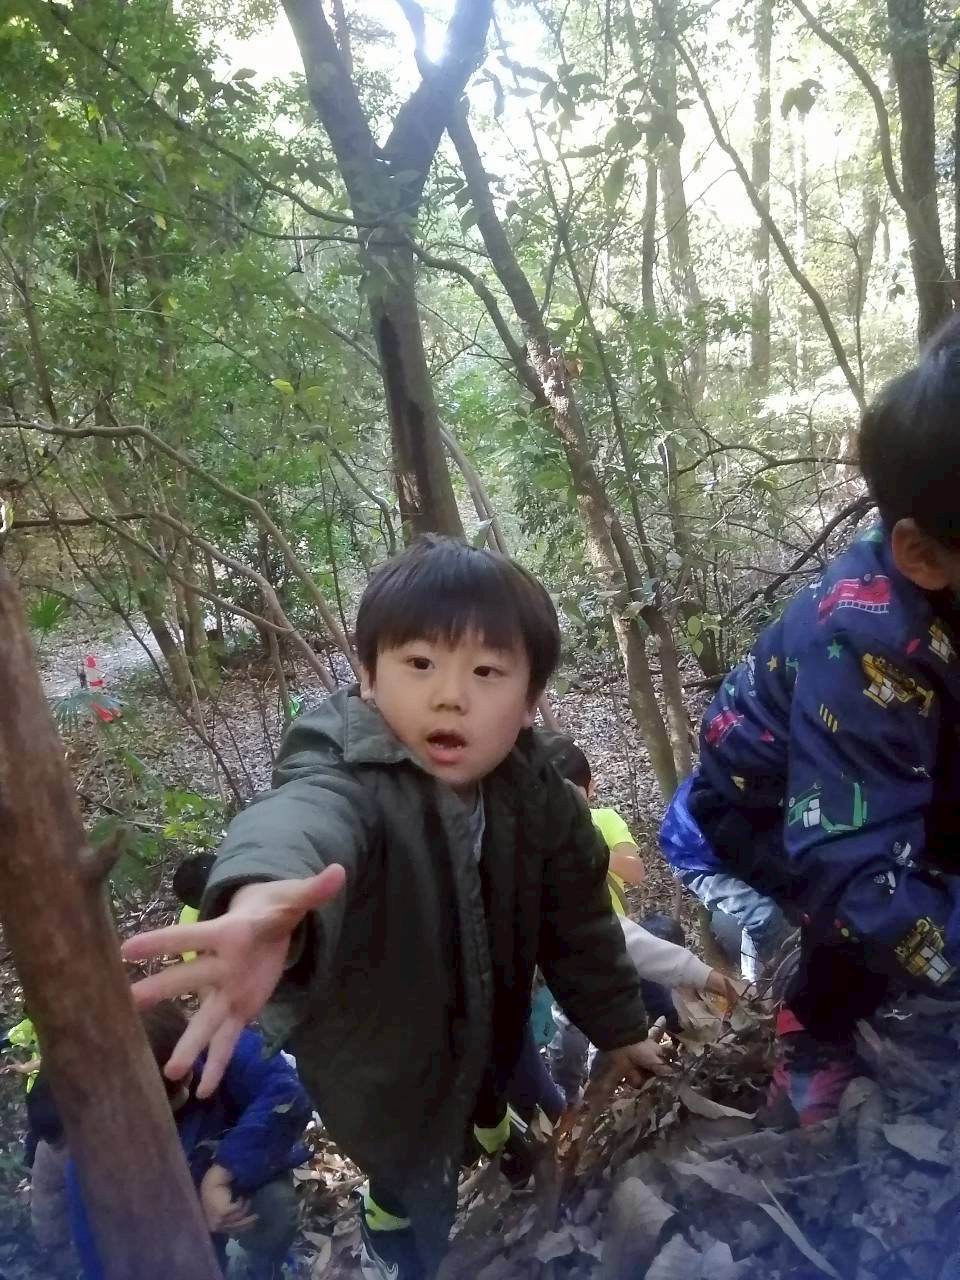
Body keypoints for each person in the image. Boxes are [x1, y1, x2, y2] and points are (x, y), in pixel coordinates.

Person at [121, 537, 669, 1280]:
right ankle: (396, 1242)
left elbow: (578, 923)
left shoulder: (539, 793)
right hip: (381, 1060)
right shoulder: (346, 768)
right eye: (419, 663)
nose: (449, 696)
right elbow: (304, 816)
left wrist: (621, 1027)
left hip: (491, 1018)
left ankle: (489, 1136)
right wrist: (263, 892)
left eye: (486, 671)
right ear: (369, 677)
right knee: (409, 1172)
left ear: (529, 699)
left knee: (486, 1094)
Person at [658, 315, 960, 1125]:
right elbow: (854, 872)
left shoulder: (934, 598)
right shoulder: (864, 643)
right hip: (765, 803)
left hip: (890, 752)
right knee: (860, 908)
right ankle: (812, 1039)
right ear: (923, 555)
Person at [547, 739, 739, 1102]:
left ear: (590, 789)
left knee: (651, 1006)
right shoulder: (531, 860)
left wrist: (588, 847)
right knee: (569, 1036)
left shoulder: (601, 822)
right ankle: (569, 1100)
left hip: (614, 948)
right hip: (574, 962)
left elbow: (633, 876)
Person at [64, 1002, 310, 1280]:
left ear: (187, 1071)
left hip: (232, 1187)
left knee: (275, 1205)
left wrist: (221, 1174)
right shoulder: (96, 1142)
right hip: (168, 1231)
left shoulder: (218, 1045)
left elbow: (288, 1094)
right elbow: (94, 1240)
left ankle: (257, 1266)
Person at [660, 774, 789, 983]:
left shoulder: (774, 777)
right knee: (762, 912)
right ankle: (753, 983)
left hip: (728, 850)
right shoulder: (720, 797)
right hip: (695, 860)